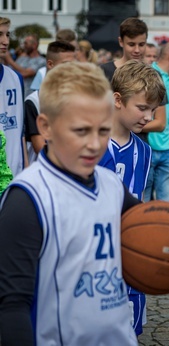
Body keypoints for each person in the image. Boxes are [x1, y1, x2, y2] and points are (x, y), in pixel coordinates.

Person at [0, 62, 139, 345]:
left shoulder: (112, 185)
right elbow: (13, 305)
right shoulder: (27, 200)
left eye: (103, 130)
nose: (94, 144)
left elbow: (152, 233)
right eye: (80, 131)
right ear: (45, 126)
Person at [97, 60, 165, 336]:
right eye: (142, 108)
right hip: (94, 257)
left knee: (128, 334)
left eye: (153, 110)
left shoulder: (144, 151)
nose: (149, 117)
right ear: (117, 100)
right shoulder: (90, 144)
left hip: (129, 256)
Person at [24, 41, 76, 164]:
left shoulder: (74, 98)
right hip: (42, 175)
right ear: (50, 64)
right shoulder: (33, 101)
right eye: (65, 64)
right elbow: (39, 147)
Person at [145, 42, 169, 202]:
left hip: (168, 151)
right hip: (147, 148)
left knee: (167, 206)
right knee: (142, 204)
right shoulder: (147, 74)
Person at [0, 17, 25, 178]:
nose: (5, 41)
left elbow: (21, 133)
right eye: (0, 35)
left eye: (7, 35)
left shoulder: (16, 78)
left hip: (13, 177)